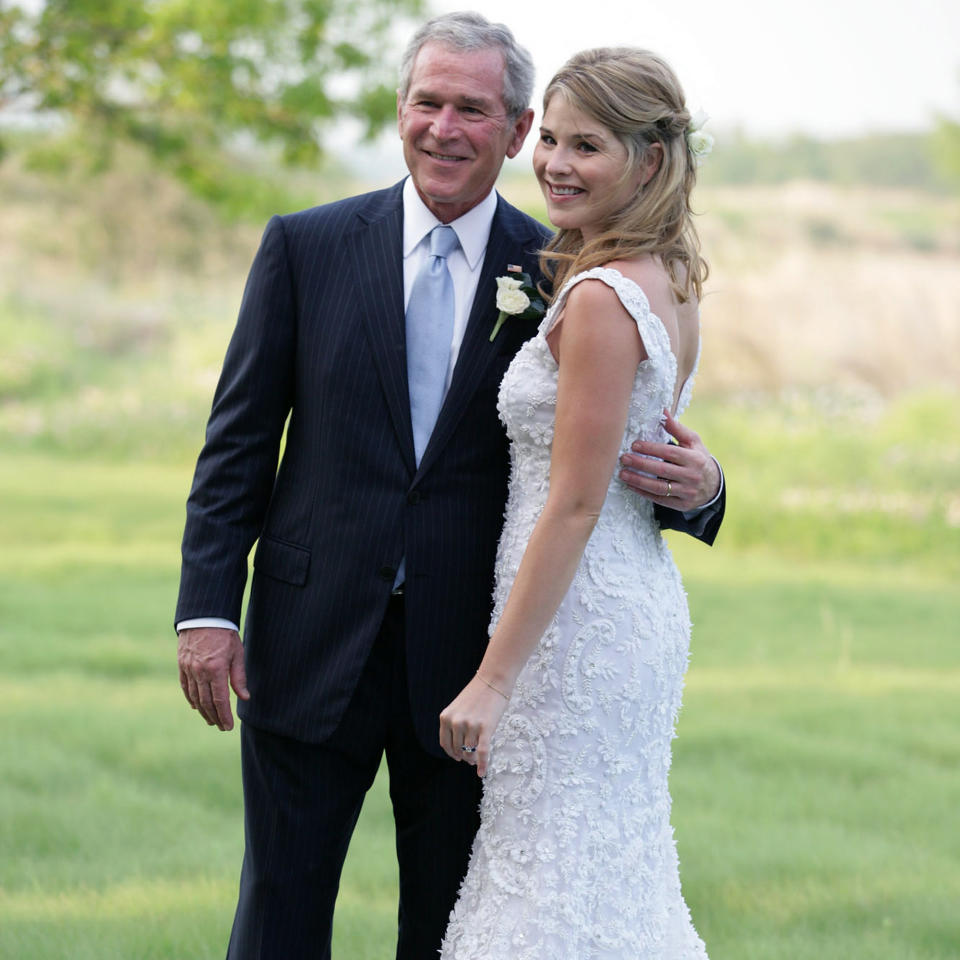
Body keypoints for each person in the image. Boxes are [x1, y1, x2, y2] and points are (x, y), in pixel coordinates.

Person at [175, 14, 723, 960]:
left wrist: (704, 488)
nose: (444, 127)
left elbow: (618, 439)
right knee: (278, 911)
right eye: (427, 102)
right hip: (308, 638)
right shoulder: (304, 248)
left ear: (512, 131)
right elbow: (238, 444)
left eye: (473, 109)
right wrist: (207, 610)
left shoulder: (565, 266)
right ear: (399, 112)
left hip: (470, 650)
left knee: (448, 925)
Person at [438, 47, 713, 959]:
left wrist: (492, 678)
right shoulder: (669, 275)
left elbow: (574, 503)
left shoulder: (599, 295)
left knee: (550, 870)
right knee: (597, 863)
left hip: (573, 623)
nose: (554, 161)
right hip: (626, 598)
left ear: (649, 158)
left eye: (586, 145)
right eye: (548, 138)